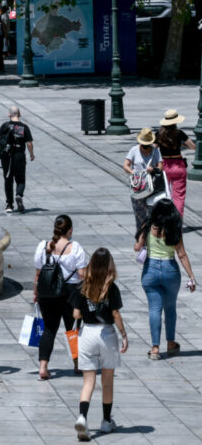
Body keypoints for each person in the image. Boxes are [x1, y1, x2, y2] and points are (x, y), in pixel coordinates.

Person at [70, 248, 127, 440]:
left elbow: (76, 314)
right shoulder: (112, 287)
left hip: (87, 333)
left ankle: (82, 418)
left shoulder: (82, 286)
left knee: (88, 381)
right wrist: (124, 335)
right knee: (107, 381)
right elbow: (115, 314)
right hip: (107, 334)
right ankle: (105, 421)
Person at [134, 199, 196, 360]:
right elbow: (181, 254)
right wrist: (191, 276)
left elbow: (136, 247)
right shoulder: (174, 230)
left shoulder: (148, 226)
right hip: (170, 270)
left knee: (154, 309)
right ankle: (170, 343)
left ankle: (155, 348)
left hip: (150, 271)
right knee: (170, 308)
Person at [33, 215, 88, 380]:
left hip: (47, 293)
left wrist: (36, 294)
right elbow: (81, 274)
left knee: (49, 329)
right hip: (70, 293)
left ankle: (43, 367)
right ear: (70, 230)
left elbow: (37, 274)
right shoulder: (76, 247)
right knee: (73, 329)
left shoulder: (43, 246)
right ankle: (78, 364)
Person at [0, 106, 34, 214]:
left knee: (8, 180)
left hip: (7, 155)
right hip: (19, 155)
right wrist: (31, 154)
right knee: (20, 179)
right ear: (19, 114)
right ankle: (19, 194)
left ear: (9, 115)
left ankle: (9, 205)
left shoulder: (5, 125)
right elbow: (29, 143)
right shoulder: (24, 127)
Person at [123, 127, 163, 232]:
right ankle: (141, 239)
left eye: (147, 144)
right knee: (139, 215)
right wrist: (134, 173)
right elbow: (126, 165)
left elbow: (161, 166)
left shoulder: (156, 151)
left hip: (151, 186)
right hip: (138, 186)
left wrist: (153, 169)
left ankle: (152, 237)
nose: (145, 146)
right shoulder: (134, 150)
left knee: (153, 214)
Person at [156, 110, 194, 214]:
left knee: (163, 195)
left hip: (164, 165)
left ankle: (164, 223)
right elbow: (193, 146)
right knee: (179, 197)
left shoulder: (159, 134)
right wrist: (182, 145)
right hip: (178, 165)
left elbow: (154, 149)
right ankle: (177, 225)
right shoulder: (179, 133)